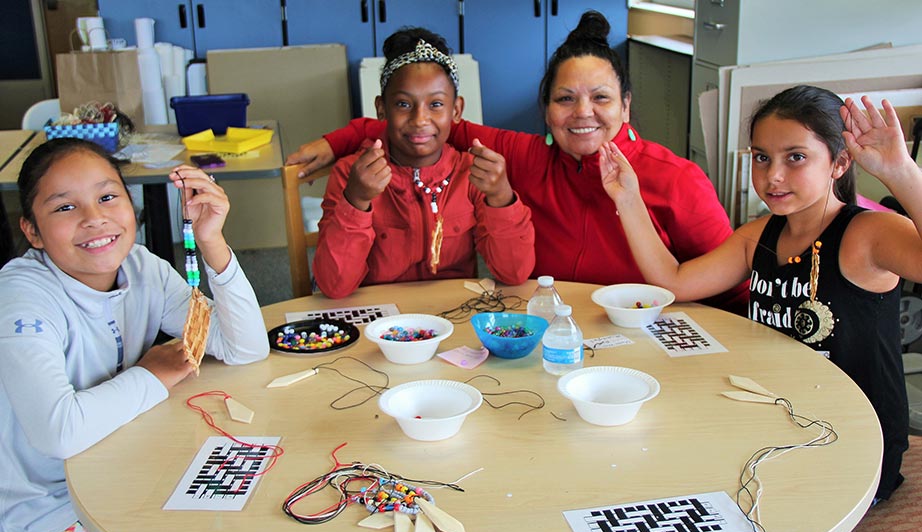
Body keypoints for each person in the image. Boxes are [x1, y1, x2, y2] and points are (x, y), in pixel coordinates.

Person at [288, 11, 747, 312]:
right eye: (565, 99)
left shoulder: (678, 179)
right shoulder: (528, 156)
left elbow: (731, 285)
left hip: (644, 332)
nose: (583, 113)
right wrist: (342, 141)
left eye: (601, 98)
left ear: (626, 105)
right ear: (545, 112)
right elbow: (422, 132)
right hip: (548, 328)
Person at [599, 85, 921, 501]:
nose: (773, 176)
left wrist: (900, 172)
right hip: (780, 421)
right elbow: (674, 282)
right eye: (762, 158)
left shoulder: (869, 234)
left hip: (857, 444)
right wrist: (629, 197)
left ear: (840, 162)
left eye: (796, 157)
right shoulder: (759, 237)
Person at [0, 138, 270, 532]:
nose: (94, 218)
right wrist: (151, 374)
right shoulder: (21, 299)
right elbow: (59, 432)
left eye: (108, 197)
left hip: (111, 468)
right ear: (32, 230)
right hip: (40, 521)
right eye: (65, 208)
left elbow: (244, 348)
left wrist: (212, 240)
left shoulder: (141, 267)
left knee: (256, 495)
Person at [312, 27, 534, 298]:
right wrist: (356, 201)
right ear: (381, 108)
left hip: (451, 319)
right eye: (404, 104)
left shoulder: (469, 173)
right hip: (379, 324)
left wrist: (501, 197)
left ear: (456, 110)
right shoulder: (351, 174)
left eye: (436, 104)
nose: (419, 120)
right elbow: (334, 286)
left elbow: (514, 273)